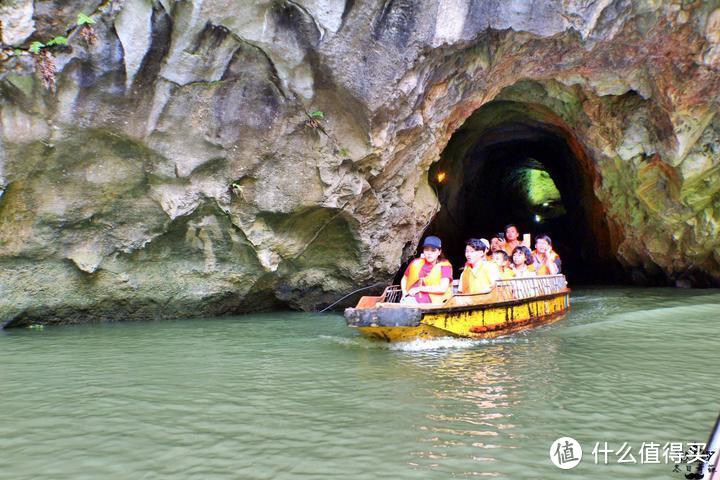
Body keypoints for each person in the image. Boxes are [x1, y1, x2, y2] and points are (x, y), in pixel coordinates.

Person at [401, 236, 453, 304]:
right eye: (426, 249)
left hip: (434, 304)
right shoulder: (416, 263)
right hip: (410, 299)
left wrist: (419, 288)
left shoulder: (444, 266)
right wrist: (404, 293)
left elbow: (443, 288)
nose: (429, 253)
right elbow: (404, 278)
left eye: (433, 250)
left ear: (439, 252)